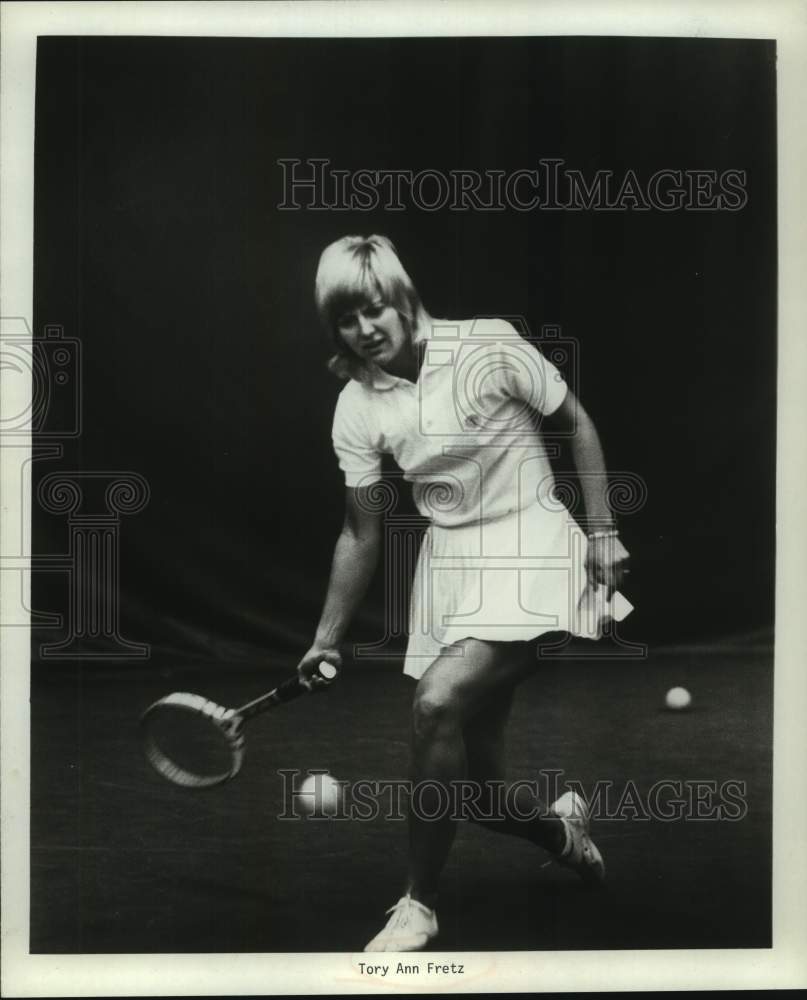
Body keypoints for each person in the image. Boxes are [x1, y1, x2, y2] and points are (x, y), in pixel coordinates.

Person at [295, 234, 631, 952]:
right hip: (451, 567)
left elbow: (577, 424)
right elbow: (359, 534)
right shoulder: (357, 407)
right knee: (475, 787)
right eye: (346, 319)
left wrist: (601, 532)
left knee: (436, 702)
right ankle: (560, 833)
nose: (363, 330)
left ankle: (418, 904)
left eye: (374, 309)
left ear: (404, 299)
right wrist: (325, 637)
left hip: (534, 544)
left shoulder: (487, 345)